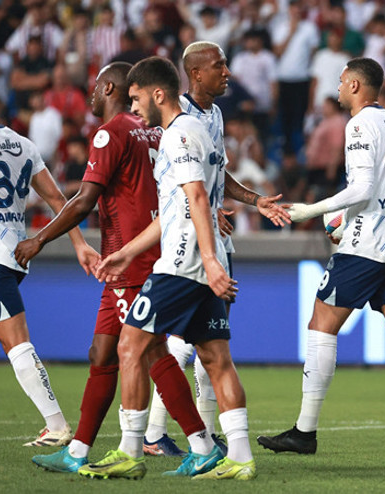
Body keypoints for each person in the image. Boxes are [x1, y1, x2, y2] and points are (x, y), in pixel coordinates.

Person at [17, 62, 215, 472]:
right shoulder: (154, 131)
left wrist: (39, 239)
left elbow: (85, 201)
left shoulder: (111, 133)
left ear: (109, 88)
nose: (91, 94)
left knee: (150, 350)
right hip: (134, 255)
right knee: (102, 352)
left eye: (95, 87)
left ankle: (198, 444)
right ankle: (76, 452)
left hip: (130, 258)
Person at [77, 56, 251, 481]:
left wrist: (208, 261)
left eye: (136, 99)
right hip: (196, 258)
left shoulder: (179, 135)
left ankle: (130, 450)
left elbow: (197, 198)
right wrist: (127, 252)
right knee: (216, 358)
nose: (133, 107)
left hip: (182, 263)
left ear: (158, 94)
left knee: (130, 346)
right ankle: (240, 457)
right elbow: (173, 210)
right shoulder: (196, 130)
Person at [257, 58, 385, 457]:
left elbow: (361, 188)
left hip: (367, 243)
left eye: (341, 82)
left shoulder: (358, 125)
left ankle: (304, 432)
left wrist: (311, 210)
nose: (338, 88)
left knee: (321, 324)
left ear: (356, 85)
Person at [144, 41, 290, 457]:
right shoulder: (179, 119)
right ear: (195, 73)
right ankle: (153, 433)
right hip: (188, 242)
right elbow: (181, 185)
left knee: (211, 341)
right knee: (176, 341)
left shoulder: (215, 114)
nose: (227, 72)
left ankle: (204, 435)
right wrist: (205, 213)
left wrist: (254, 201)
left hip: (214, 239)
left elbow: (217, 175)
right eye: (219, 65)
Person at [0, 83, 94, 445]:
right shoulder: (24, 144)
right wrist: (80, 244)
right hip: (14, 255)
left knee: (15, 342)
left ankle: (57, 426)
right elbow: (57, 198)